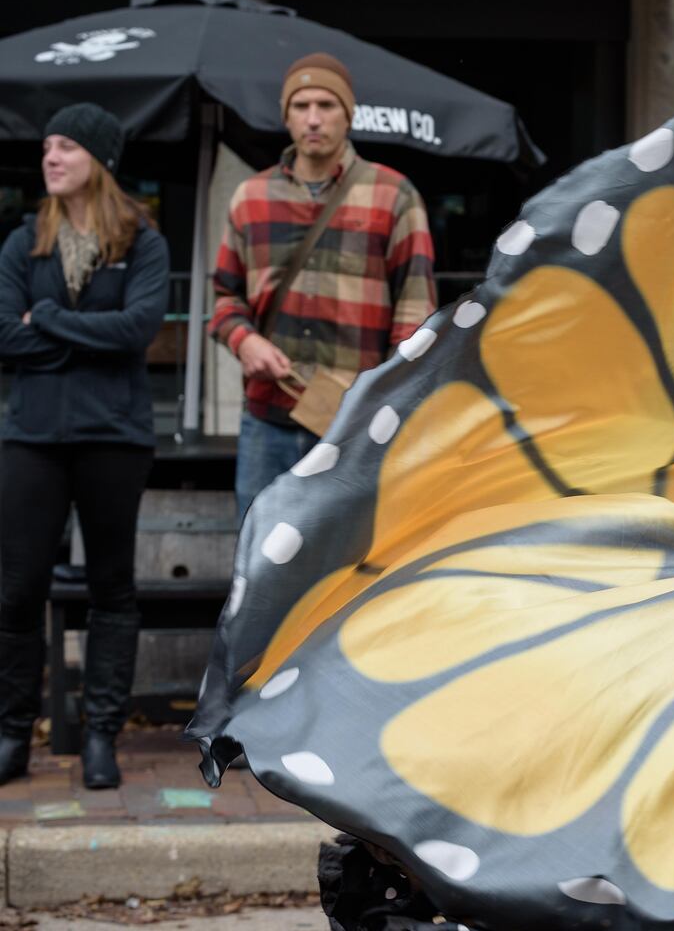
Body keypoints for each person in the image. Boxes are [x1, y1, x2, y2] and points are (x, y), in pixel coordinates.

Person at [0, 103, 168, 789]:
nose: (51, 157)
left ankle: (102, 737)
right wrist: (85, 333)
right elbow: (5, 338)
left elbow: (138, 331)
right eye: (47, 146)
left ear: (97, 159)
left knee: (111, 588)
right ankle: (12, 735)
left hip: (114, 436)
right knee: (15, 591)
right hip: (32, 436)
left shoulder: (142, 242)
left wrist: (55, 322)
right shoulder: (22, 243)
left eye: (66, 146)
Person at [210, 52, 436, 521]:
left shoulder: (395, 194)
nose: (313, 118)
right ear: (286, 116)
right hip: (266, 418)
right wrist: (244, 340)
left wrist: (381, 402)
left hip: (354, 423)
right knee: (260, 561)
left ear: (348, 114)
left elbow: (414, 313)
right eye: (301, 105)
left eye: (327, 105)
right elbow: (224, 297)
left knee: (352, 566)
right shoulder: (250, 197)